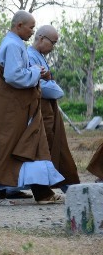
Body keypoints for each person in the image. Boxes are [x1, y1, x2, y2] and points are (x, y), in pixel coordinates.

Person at [0, 11, 64, 204]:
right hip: (13, 107)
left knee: (25, 145)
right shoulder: (12, 45)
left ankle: (35, 192)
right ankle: (7, 193)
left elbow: (18, 73)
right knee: (15, 145)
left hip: (18, 105)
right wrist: (36, 72)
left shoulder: (15, 43)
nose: (32, 32)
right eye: (31, 27)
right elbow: (14, 76)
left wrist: (37, 73)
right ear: (19, 25)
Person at [28, 25, 79, 189]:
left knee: (56, 146)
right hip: (40, 109)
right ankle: (47, 188)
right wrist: (56, 87)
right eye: (53, 42)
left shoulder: (40, 56)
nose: (53, 47)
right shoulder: (30, 56)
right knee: (44, 147)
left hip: (49, 110)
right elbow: (44, 87)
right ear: (41, 38)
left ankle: (64, 185)